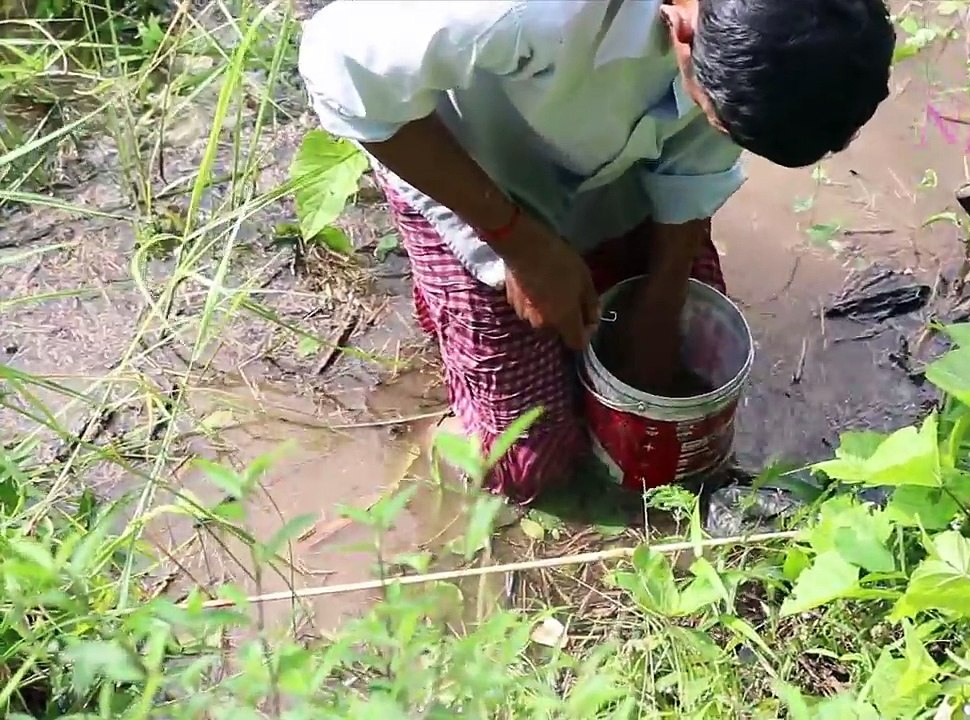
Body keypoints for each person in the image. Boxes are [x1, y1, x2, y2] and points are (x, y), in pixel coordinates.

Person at [298, 0, 895, 503]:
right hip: (474, 160)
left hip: (621, 159)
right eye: (718, 119)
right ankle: (446, 416)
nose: (717, 130)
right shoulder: (519, 12)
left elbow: (698, 156)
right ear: (681, 32)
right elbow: (344, 74)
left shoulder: (781, 22)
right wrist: (516, 241)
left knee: (684, 337)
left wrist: (660, 304)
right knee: (525, 466)